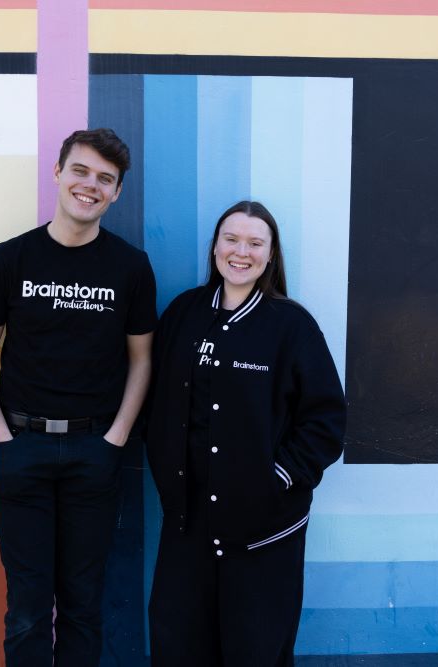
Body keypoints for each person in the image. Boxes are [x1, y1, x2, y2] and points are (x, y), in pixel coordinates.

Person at [0, 128, 157, 666]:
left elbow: (142, 361)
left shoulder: (130, 267)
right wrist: (2, 441)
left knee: (82, 606)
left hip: (94, 455)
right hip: (20, 449)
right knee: (26, 608)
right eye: (81, 170)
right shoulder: (11, 259)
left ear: (116, 193)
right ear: (57, 172)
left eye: (105, 179)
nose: (89, 186)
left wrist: (114, 439)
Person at [145, 200, 346, 666]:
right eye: (231, 239)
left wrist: (274, 479)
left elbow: (326, 421)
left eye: (255, 243)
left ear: (270, 255)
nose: (241, 252)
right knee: (178, 647)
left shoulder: (291, 325)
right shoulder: (183, 313)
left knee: (255, 650)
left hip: (264, 529)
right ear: (215, 247)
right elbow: (155, 399)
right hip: (187, 524)